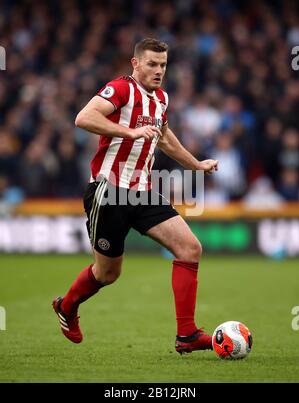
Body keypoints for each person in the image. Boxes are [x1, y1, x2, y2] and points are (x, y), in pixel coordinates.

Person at [52, 38, 218, 354]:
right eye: (152, 64)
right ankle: (66, 306)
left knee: (189, 248)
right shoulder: (121, 89)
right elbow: (83, 118)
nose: (158, 70)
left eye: (163, 65)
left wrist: (197, 164)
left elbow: (165, 140)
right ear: (136, 63)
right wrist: (129, 132)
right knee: (107, 274)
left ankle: (187, 335)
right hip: (108, 192)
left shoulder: (161, 100)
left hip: (142, 192)